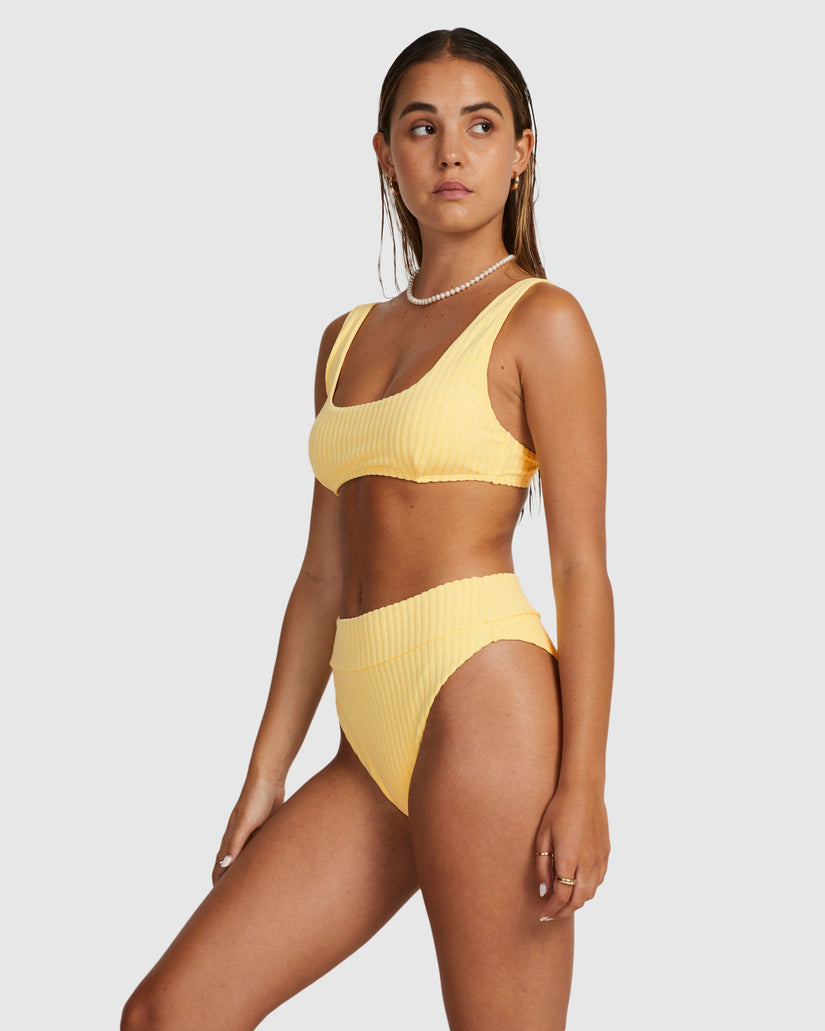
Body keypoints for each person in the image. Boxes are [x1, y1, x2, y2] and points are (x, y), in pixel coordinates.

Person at [122, 26, 613, 1031]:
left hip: (484, 701)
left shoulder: (542, 321)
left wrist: (584, 786)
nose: (451, 151)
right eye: (421, 127)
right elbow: (320, 576)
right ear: (385, 154)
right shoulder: (345, 341)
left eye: (481, 126)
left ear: (523, 151)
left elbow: (581, 567)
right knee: (167, 1014)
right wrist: (266, 771)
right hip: (367, 729)